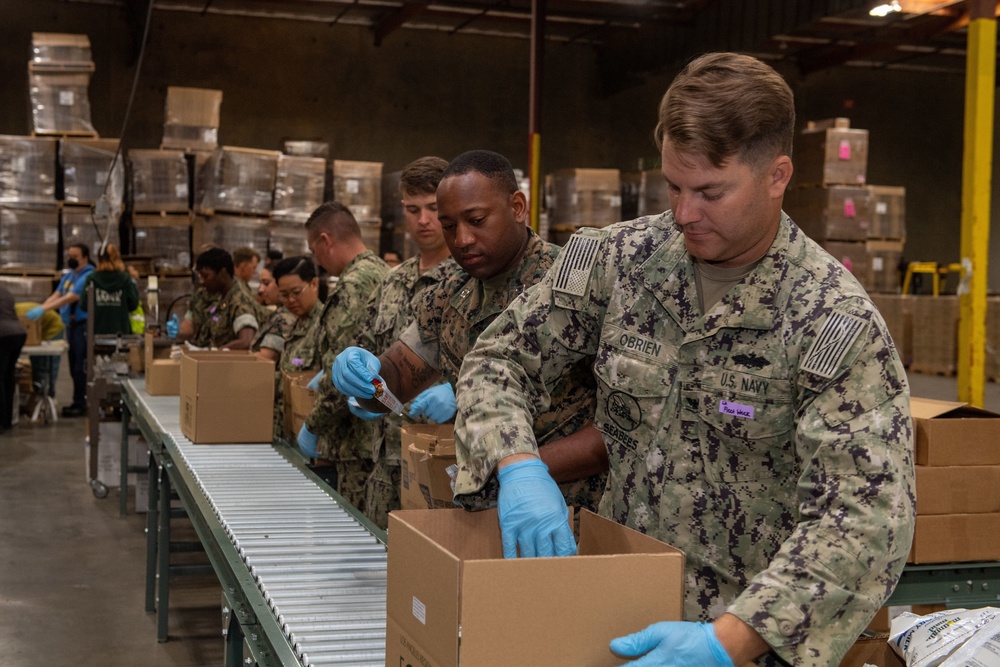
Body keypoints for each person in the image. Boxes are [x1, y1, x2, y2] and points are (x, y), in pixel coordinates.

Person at [448, 54, 915, 667]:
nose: (684, 213)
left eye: (710, 192)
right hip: (608, 610)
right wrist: (516, 463)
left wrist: (726, 642)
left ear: (778, 176)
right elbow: (498, 358)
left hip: (740, 640)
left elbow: (866, 520)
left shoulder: (832, 322)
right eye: (673, 186)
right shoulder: (618, 260)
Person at [331, 150, 606, 515]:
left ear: (518, 207)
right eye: (450, 226)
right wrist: (364, 379)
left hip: (569, 511)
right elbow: (393, 382)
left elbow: (620, 426)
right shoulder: (448, 296)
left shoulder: (573, 288)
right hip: (479, 512)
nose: (461, 240)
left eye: (476, 220)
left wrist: (520, 470)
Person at [351, 156, 459, 529]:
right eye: (413, 210)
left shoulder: (470, 281)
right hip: (384, 454)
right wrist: (356, 380)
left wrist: (458, 396)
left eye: (432, 209)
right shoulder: (392, 282)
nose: (423, 220)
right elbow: (365, 345)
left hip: (442, 458)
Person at [297, 202, 389, 503]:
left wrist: (313, 425)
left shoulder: (351, 286)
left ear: (325, 241)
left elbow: (346, 375)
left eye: (314, 250)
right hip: (380, 433)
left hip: (358, 440)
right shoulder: (383, 273)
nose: (317, 260)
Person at [26, 243, 95, 417]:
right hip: (71, 326)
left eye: (74, 257)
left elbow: (71, 298)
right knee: (73, 365)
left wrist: (44, 309)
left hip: (83, 325)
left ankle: (82, 403)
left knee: (81, 366)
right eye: (69, 256)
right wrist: (41, 307)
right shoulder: (70, 276)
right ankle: (77, 401)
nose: (71, 260)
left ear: (85, 257)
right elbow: (57, 294)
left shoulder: (89, 275)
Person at [270, 256, 325, 440]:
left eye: (296, 292)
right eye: (284, 295)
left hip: (310, 430)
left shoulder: (325, 326)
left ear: (314, 284)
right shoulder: (295, 323)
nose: (291, 300)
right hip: (287, 430)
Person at [174, 248, 260, 349]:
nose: (202, 281)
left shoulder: (239, 301)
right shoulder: (220, 298)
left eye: (206, 276)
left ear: (222, 273)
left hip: (229, 363)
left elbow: (246, 341)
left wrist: (213, 353)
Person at [80, 244, 140, 335]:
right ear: (117, 258)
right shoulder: (125, 279)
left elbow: (83, 305)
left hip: (96, 333)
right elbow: (133, 304)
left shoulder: (92, 279)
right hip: (121, 333)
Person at [14, 301, 64, 401]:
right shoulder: (12, 313)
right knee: (36, 362)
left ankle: (49, 395)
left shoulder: (21, 314)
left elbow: (26, 330)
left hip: (52, 328)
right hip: (38, 329)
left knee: (50, 363)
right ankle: (37, 392)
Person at [250, 264, 296, 362]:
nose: (261, 289)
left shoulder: (284, 318)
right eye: (260, 283)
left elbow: (265, 359)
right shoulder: (278, 312)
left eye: (266, 283)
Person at [0, 285, 27, 434]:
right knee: (8, 377)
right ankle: (7, 421)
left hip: (2, 334)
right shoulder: (5, 290)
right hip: (18, 333)